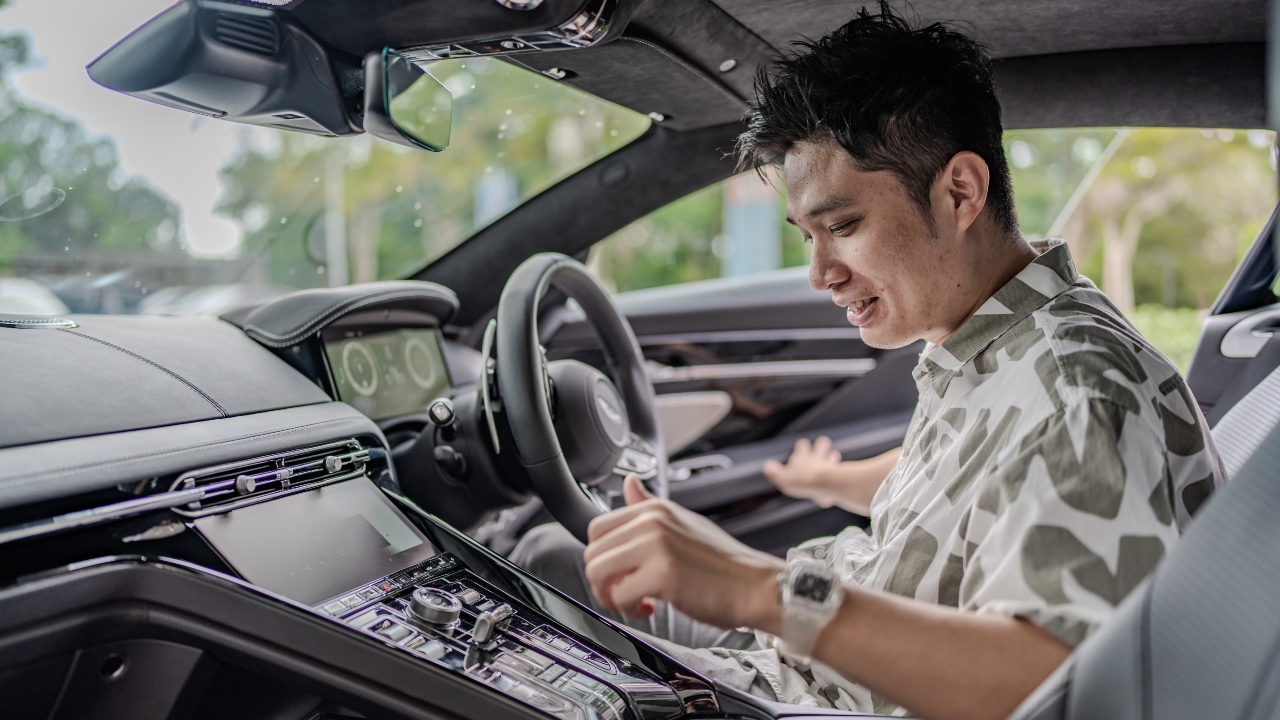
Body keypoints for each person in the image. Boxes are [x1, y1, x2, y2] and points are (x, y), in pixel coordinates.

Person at [511, 5, 1224, 719]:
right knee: (548, 559)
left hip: (822, 694)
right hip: (816, 658)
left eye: (843, 226)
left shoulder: (1077, 390)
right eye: (807, 236)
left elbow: (1061, 685)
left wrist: (759, 590)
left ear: (960, 192)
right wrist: (804, 506)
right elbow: (985, 480)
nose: (820, 273)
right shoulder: (1003, 341)